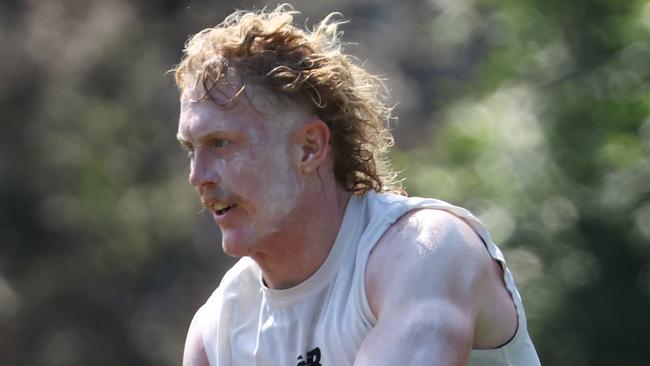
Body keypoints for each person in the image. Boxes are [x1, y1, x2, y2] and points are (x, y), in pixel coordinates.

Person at [173, 5, 540, 366]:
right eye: (191, 149)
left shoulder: (426, 250)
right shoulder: (215, 334)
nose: (198, 175)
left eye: (221, 143)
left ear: (308, 148)